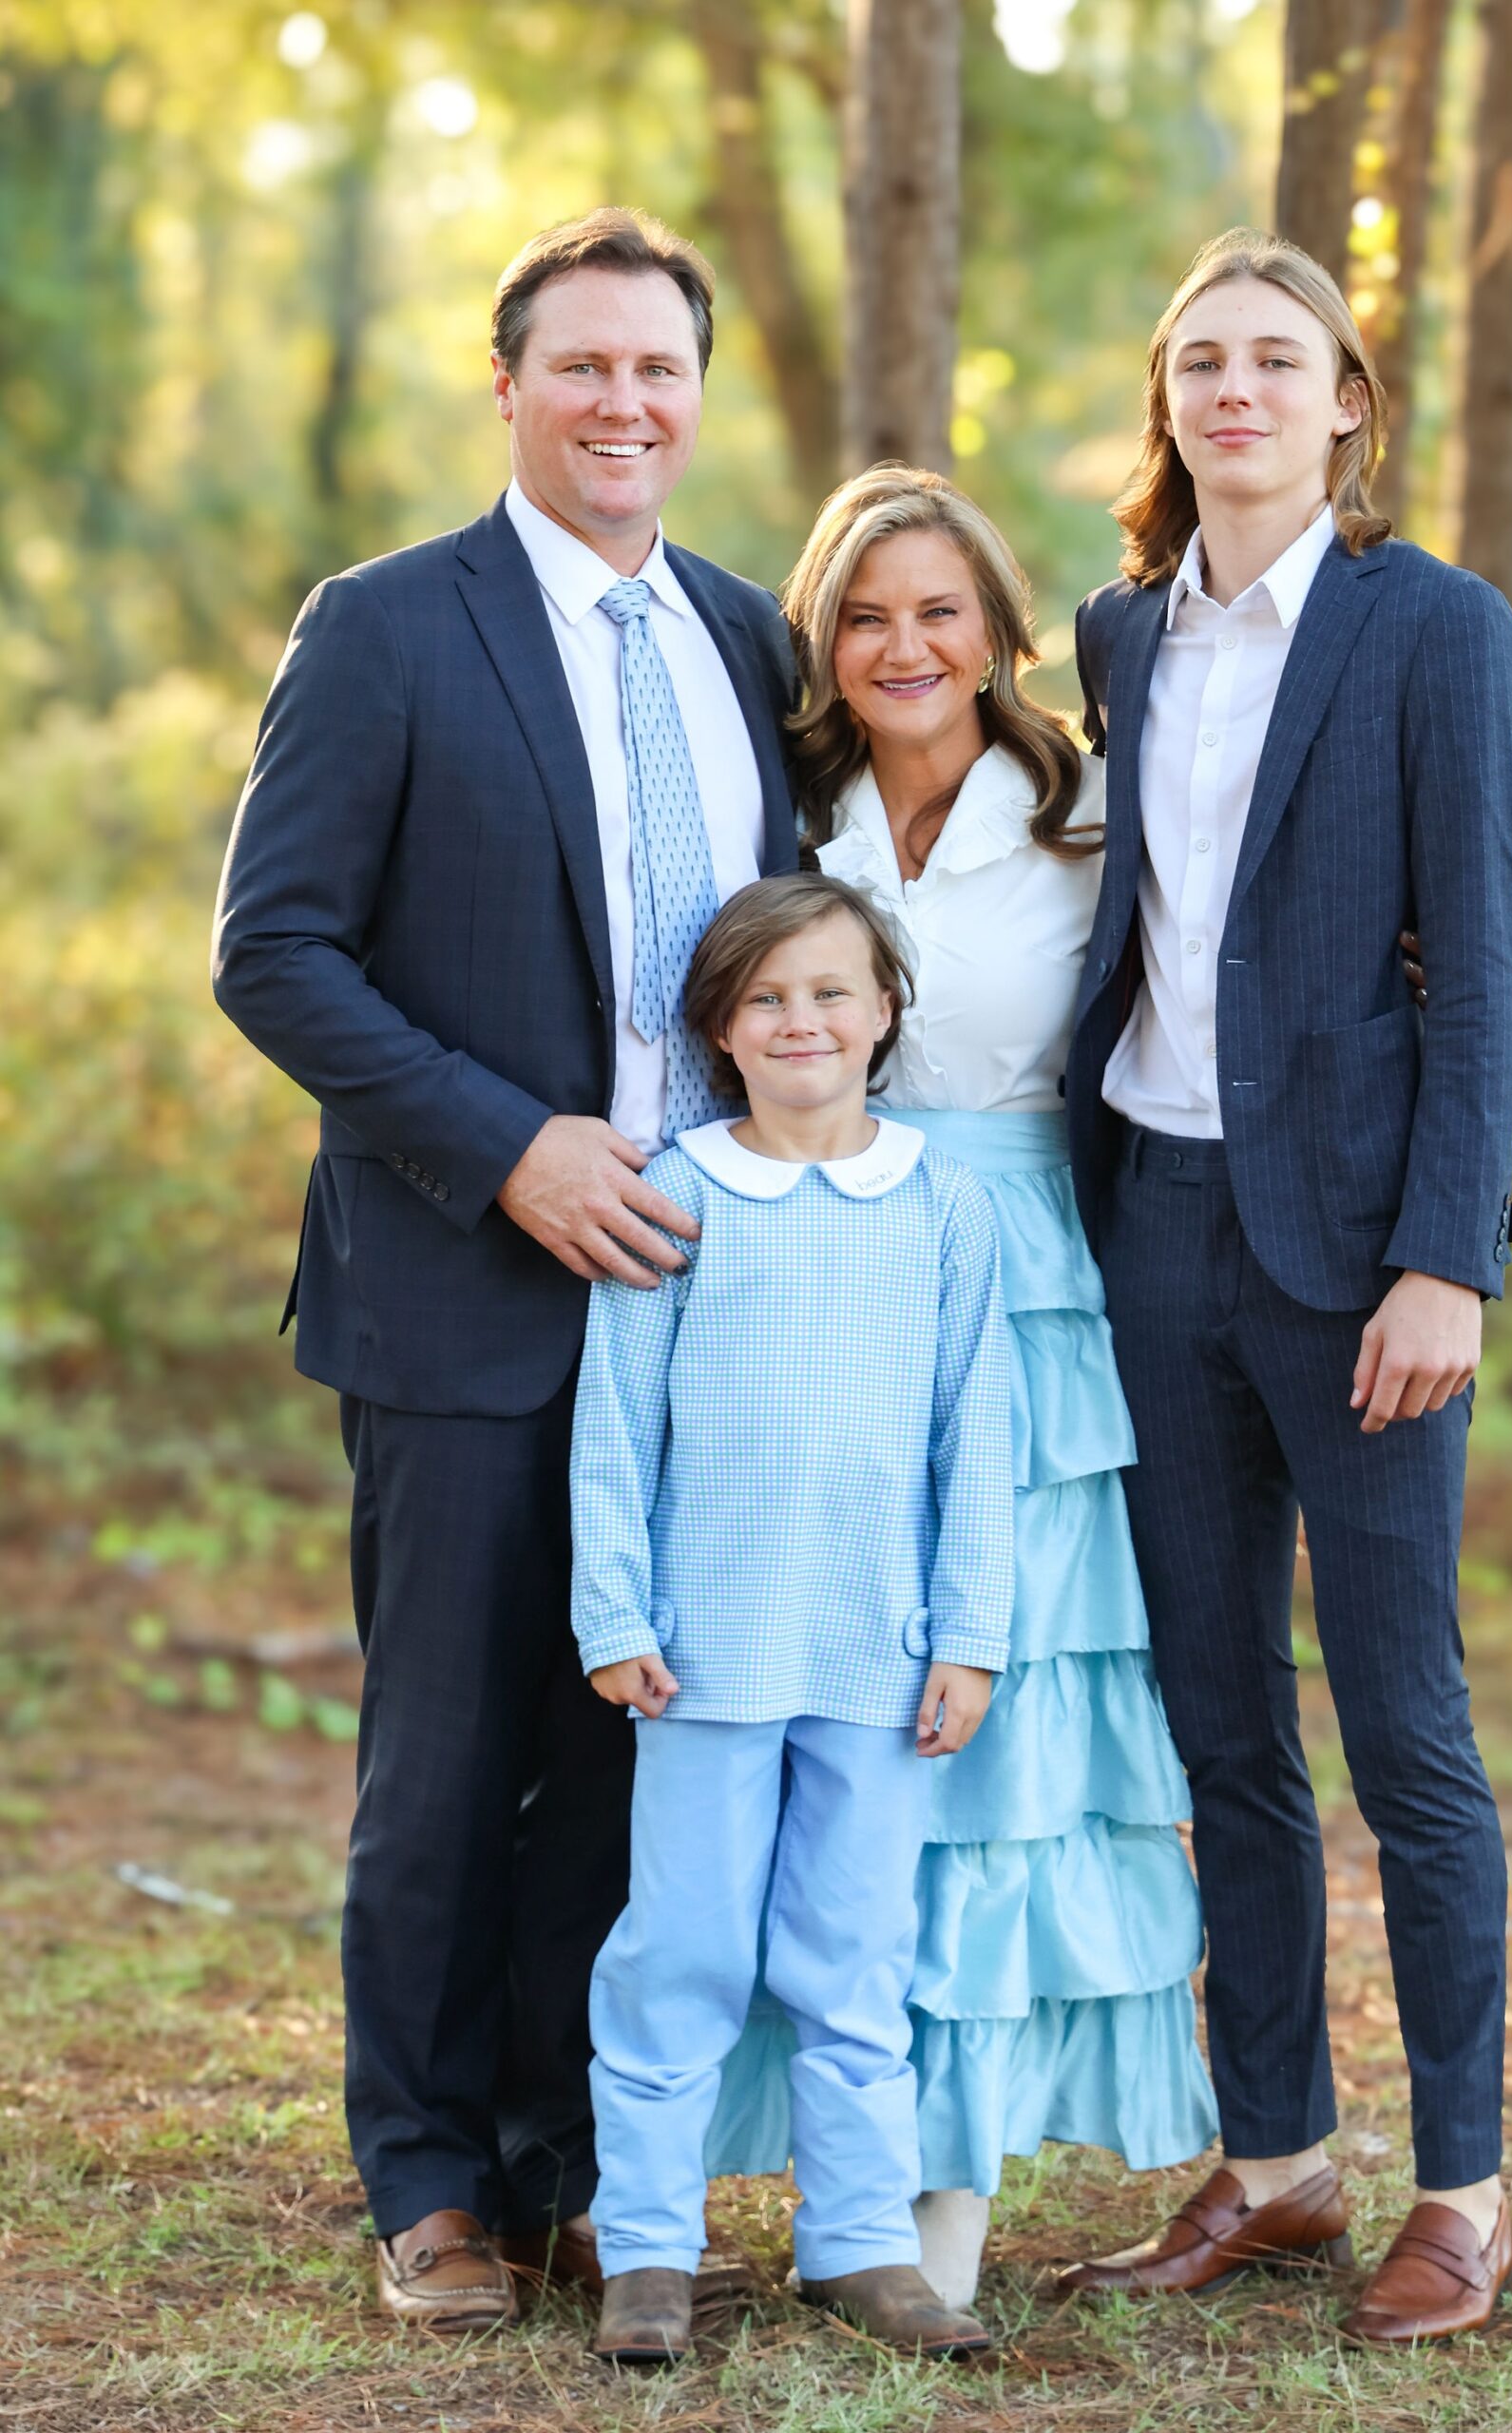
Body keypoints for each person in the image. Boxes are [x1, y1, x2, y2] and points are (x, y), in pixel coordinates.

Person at [211, 208, 798, 2332]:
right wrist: (508, 1147)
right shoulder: (386, 627)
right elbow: (273, 951)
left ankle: (563, 2164)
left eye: (658, 369)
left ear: (697, 396)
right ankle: (432, 2183)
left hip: (703, 1300)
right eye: (583, 365)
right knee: (448, 1761)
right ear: (510, 385)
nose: (623, 403)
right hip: (463, 1288)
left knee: (630, 1758)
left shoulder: (749, 640)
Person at [1056, 228, 1512, 2345]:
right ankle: (1276, 2161)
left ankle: (1465, 2189)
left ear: (1346, 401)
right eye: (1199, 360)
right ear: (1166, 405)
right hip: (1153, 1228)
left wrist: (1447, 1255)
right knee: (1222, 1727)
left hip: (1358, 1262)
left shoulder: (1434, 627)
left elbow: (1485, 957)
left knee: (1406, 1729)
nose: (1234, 389)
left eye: (1277, 357)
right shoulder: (1117, 636)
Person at [701, 465, 1219, 2309]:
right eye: (864, 615)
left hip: (1019, 1282)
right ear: (823, 644)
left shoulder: (1092, 820)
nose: (903, 644)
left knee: (983, 1731)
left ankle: (942, 2205)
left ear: (1000, 631)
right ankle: (814, 2162)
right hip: (806, 1270)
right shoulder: (784, 817)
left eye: (938, 610)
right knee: (814, 1693)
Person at [573, 873, 1012, 2365]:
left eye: (831, 991)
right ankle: (648, 2248)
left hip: (879, 1654)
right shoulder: (676, 1191)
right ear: (720, 1028)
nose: (800, 1020)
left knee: (855, 1952)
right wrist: (612, 1612)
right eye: (764, 998)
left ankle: (861, 2243)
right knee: (680, 1952)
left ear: (885, 1011)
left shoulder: (945, 1204)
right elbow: (614, 1423)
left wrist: (970, 1634)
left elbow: (980, 1433)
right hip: (703, 1655)